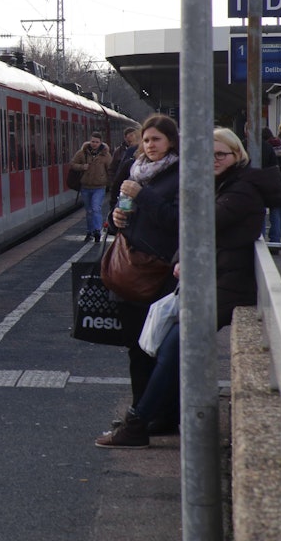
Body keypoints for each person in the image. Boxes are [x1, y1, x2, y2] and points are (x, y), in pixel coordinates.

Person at [96, 127, 281, 448]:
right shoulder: (225, 184)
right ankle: (146, 418)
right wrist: (181, 257)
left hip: (228, 285)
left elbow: (198, 224)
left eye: (220, 154)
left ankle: (138, 423)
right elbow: (193, 231)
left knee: (174, 345)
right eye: (207, 155)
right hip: (216, 280)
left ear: (236, 155)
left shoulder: (240, 190)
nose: (213, 160)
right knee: (169, 345)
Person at [104, 113, 181, 423]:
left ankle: (161, 416)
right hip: (131, 269)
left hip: (161, 273)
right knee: (136, 348)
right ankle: (139, 412)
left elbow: (177, 220)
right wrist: (116, 219)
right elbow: (120, 210)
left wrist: (143, 195)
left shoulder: (180, 174)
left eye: (156, 139)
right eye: (146, 140)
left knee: (158, 347)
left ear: (171, 142)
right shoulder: (134, 170)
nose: (150, 145)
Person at [70, 131, 112, 243]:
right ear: (90, 141)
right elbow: (73, 164)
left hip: (99, 187)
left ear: (100, 142)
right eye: (92, 141)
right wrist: (82, 167)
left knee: (95, 208)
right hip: (85, 187)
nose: (94, 144)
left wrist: (110, 183)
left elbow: (110, 168)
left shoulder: (106, 155)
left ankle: (97, 230)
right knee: (89, 211)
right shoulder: (82, 153)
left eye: (96, 142)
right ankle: (90, 231)